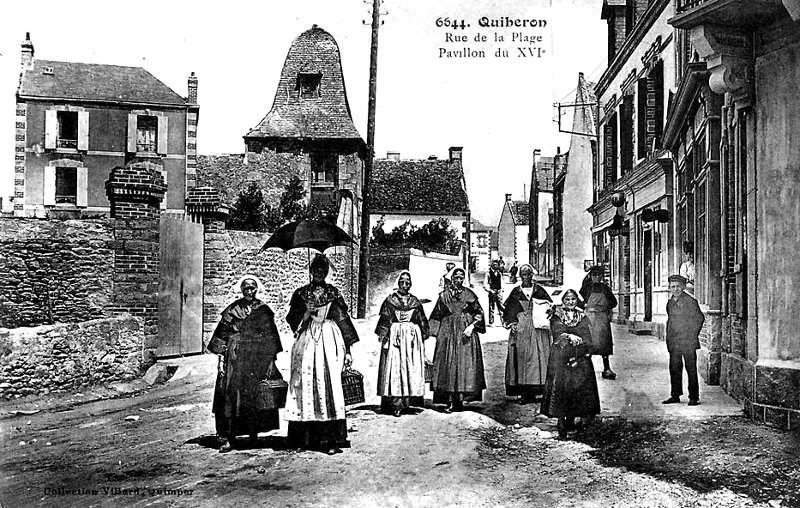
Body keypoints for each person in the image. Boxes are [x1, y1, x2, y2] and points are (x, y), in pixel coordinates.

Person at [285, 254, 359, 454]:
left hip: (329, 338)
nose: (319, 272)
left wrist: (349, 349)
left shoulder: (333, 293)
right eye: (316, 269)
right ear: (311, 270)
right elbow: (292, 319)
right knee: (305, 383)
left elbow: (343, 320)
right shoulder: (301, 293)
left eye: (323, 269)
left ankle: (330, 439)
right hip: (307, 339)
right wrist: (306, 313)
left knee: (328, 384)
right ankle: (304, 437)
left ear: (326, 272)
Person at [208, 276, 283, 453]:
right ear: (241, 290)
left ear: (257, 289)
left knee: (254, 395)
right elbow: (221, 335)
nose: (250, 291)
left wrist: (271, 360)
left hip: (256, 359)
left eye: (253, 288)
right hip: (234, 358)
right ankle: (228, 437)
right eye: (246, 288)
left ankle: (253, 433)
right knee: (230, 395)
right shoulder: (233, 309)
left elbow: (272, 337)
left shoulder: (263, 310)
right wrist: (221, 359)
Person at [540, 289, 600, 438]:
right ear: (563, 301)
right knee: (561, 387)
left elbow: (586, 335)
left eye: (573, 299)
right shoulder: (557, 315)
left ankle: (572, 419)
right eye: (567, 299)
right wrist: (568, 336)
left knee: (578, 387)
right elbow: (557, 332)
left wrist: (583, 344)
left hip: (579, 357)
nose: (570, 302)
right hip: (561, 356)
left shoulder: (582, 316)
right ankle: (561, 421)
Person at [429, 267, 487, 413]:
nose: (459, 281)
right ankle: (449, 400)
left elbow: (479, 313)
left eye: (461, 278)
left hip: (465, 332)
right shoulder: (444, 296)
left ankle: (460, 400)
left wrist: (472, 326)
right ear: (451, 279)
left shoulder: (469, 294)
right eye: (456, 278)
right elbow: (436, 315)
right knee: (448, 364)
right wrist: (434, 335)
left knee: (463, 364)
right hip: (448, 332)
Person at [375, 271, 430, 417]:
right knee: (394, 369)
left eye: (407, 282)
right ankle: (395, 404)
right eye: (402, 282)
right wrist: (383, 334)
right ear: (398, 283)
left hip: (411, 338)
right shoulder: (390, 300)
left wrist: (422, 336)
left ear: (410, 284)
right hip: (395, 336)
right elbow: (385, 318)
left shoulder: (415, 301)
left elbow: (421, 320)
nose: (405, 285)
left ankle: (408, 402)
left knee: (410, 369)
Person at [502, 264, 553, 403]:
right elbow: (508, 310)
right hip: (521, 328)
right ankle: (524, 392)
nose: (527, 277)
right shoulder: (516, 292)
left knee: (539, 359)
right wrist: (512, 323)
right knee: (522, 359)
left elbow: (550, 306)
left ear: (532, 275)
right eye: (524, 274)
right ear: (520, 276)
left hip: (538, 329)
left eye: (529, 274)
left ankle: (538, 390)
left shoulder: (539, 290)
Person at [662, 274, 705, 406]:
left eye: (678, 287)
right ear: (670, 288)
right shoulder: (670, 303)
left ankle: (694, 397)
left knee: (690, 368)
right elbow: (670, 321)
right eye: (673, 287)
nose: (675, 289)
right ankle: (675, 395)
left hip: (687, 341)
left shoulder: (691, 302)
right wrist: (668, 339)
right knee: (674, 368)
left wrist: (692, 335)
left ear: (684, 287)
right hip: (674, 342)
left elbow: (699, 319)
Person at [580, 265, 618, 379]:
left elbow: (614, 303)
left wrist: (604, 305)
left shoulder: (605, 288)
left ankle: (607, 369)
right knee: (588, 343)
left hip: (602, 319)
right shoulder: (585, 288)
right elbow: (577, 301)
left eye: (598, 275)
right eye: (594, 275)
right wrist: (584, 305)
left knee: (604, 344)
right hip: (589, 318)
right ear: (590, 276)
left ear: (601, 276)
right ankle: (586, 370)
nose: (596, 277)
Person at [484, 259, 505, 326]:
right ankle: (491, 322)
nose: (496, 266)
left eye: (497, 265)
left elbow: (502, 282)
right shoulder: (488, 273)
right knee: (491, 307)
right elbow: (485, 283)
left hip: (499, 292)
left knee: (501, 307)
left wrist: (502, 289)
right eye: (494, 264)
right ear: (492, 265)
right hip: (492, 291)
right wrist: (489, 290)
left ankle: (503, 322)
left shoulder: (499, 273)